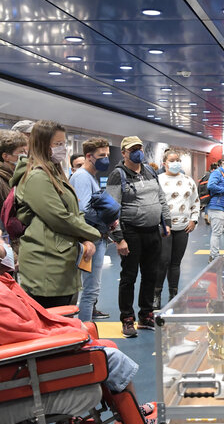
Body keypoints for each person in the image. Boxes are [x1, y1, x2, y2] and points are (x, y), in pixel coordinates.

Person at [0, 219, 163, 424]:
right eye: (1, 239)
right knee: (109, 357)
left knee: (101, 345)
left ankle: (132, 413)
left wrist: (69, 329)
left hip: (17, 360)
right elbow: (23, 337)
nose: (7, 245)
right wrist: (72, 333)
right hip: (20, 367)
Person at [10, 120, 100, 308]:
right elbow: (59, 218)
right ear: (43, 145)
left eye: (63, 144)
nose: (63, 148)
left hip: (60, 260)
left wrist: (85, 239)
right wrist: (93, 233)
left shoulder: (55, 173)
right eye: (57, 144)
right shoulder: (37, 176)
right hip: (46, 266)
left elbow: (73, 210)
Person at [106, 136, 170, 337]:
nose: (138, 152)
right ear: (124, 153)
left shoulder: (150, 171)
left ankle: (146, 314)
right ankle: (127, 318)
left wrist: (165, 222)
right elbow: (111, 209)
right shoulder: (118, 175)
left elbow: (161, 198)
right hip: (131, 232)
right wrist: (119, 238)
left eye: (140, 148)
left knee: (151, 274)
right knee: (129, 277)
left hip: (153, 231)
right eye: (133, 149)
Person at [69, 137, 113, 322]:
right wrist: (107, 217)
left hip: (97, 237)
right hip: (90, 238)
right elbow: (84, 210)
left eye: (107, 155)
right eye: (101, 155)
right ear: (89, 156)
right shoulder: (81, 177)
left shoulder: (90, 177)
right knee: (89, 292)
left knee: (92, 290)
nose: (105, 159)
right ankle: (85, 333)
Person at [154, 149, 199, 308]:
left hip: (183, 227)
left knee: (175, 263)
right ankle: (156, 294)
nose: (176, 163)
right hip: (164, 227)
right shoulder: (157, 180)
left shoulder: (188, 180)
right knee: (163, 261)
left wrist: (194, 220)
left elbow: (195, 201)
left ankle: (173, 293)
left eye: (178, 160)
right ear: (164, 163)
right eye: (172, 160)